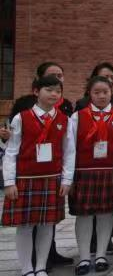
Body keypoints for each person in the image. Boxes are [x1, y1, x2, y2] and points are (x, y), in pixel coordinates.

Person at [2, 75, 73, 276]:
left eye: (58, 91)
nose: (54, 94)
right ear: (36, 91)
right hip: (25, 180)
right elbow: (11, 151)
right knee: (24, 226)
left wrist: (67, 179)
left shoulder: (64, 119)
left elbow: (69, 152)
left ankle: (41, 267)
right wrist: (9, 181)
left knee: (47, 225)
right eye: (49, 90)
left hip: (52, 179)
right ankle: (27, 268)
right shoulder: (21, 118)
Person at [65, 76, 113, 274]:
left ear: (111, 93)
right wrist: (68, 178)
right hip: (83, 173)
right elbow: (69, 149)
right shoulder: (78, 117)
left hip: (110, 173)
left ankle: (101, 255)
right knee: (83, 216)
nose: (101, 96)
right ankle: (84, 257)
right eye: (96, 92)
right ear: (89, 94)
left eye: (105, 92)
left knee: (106, 214)